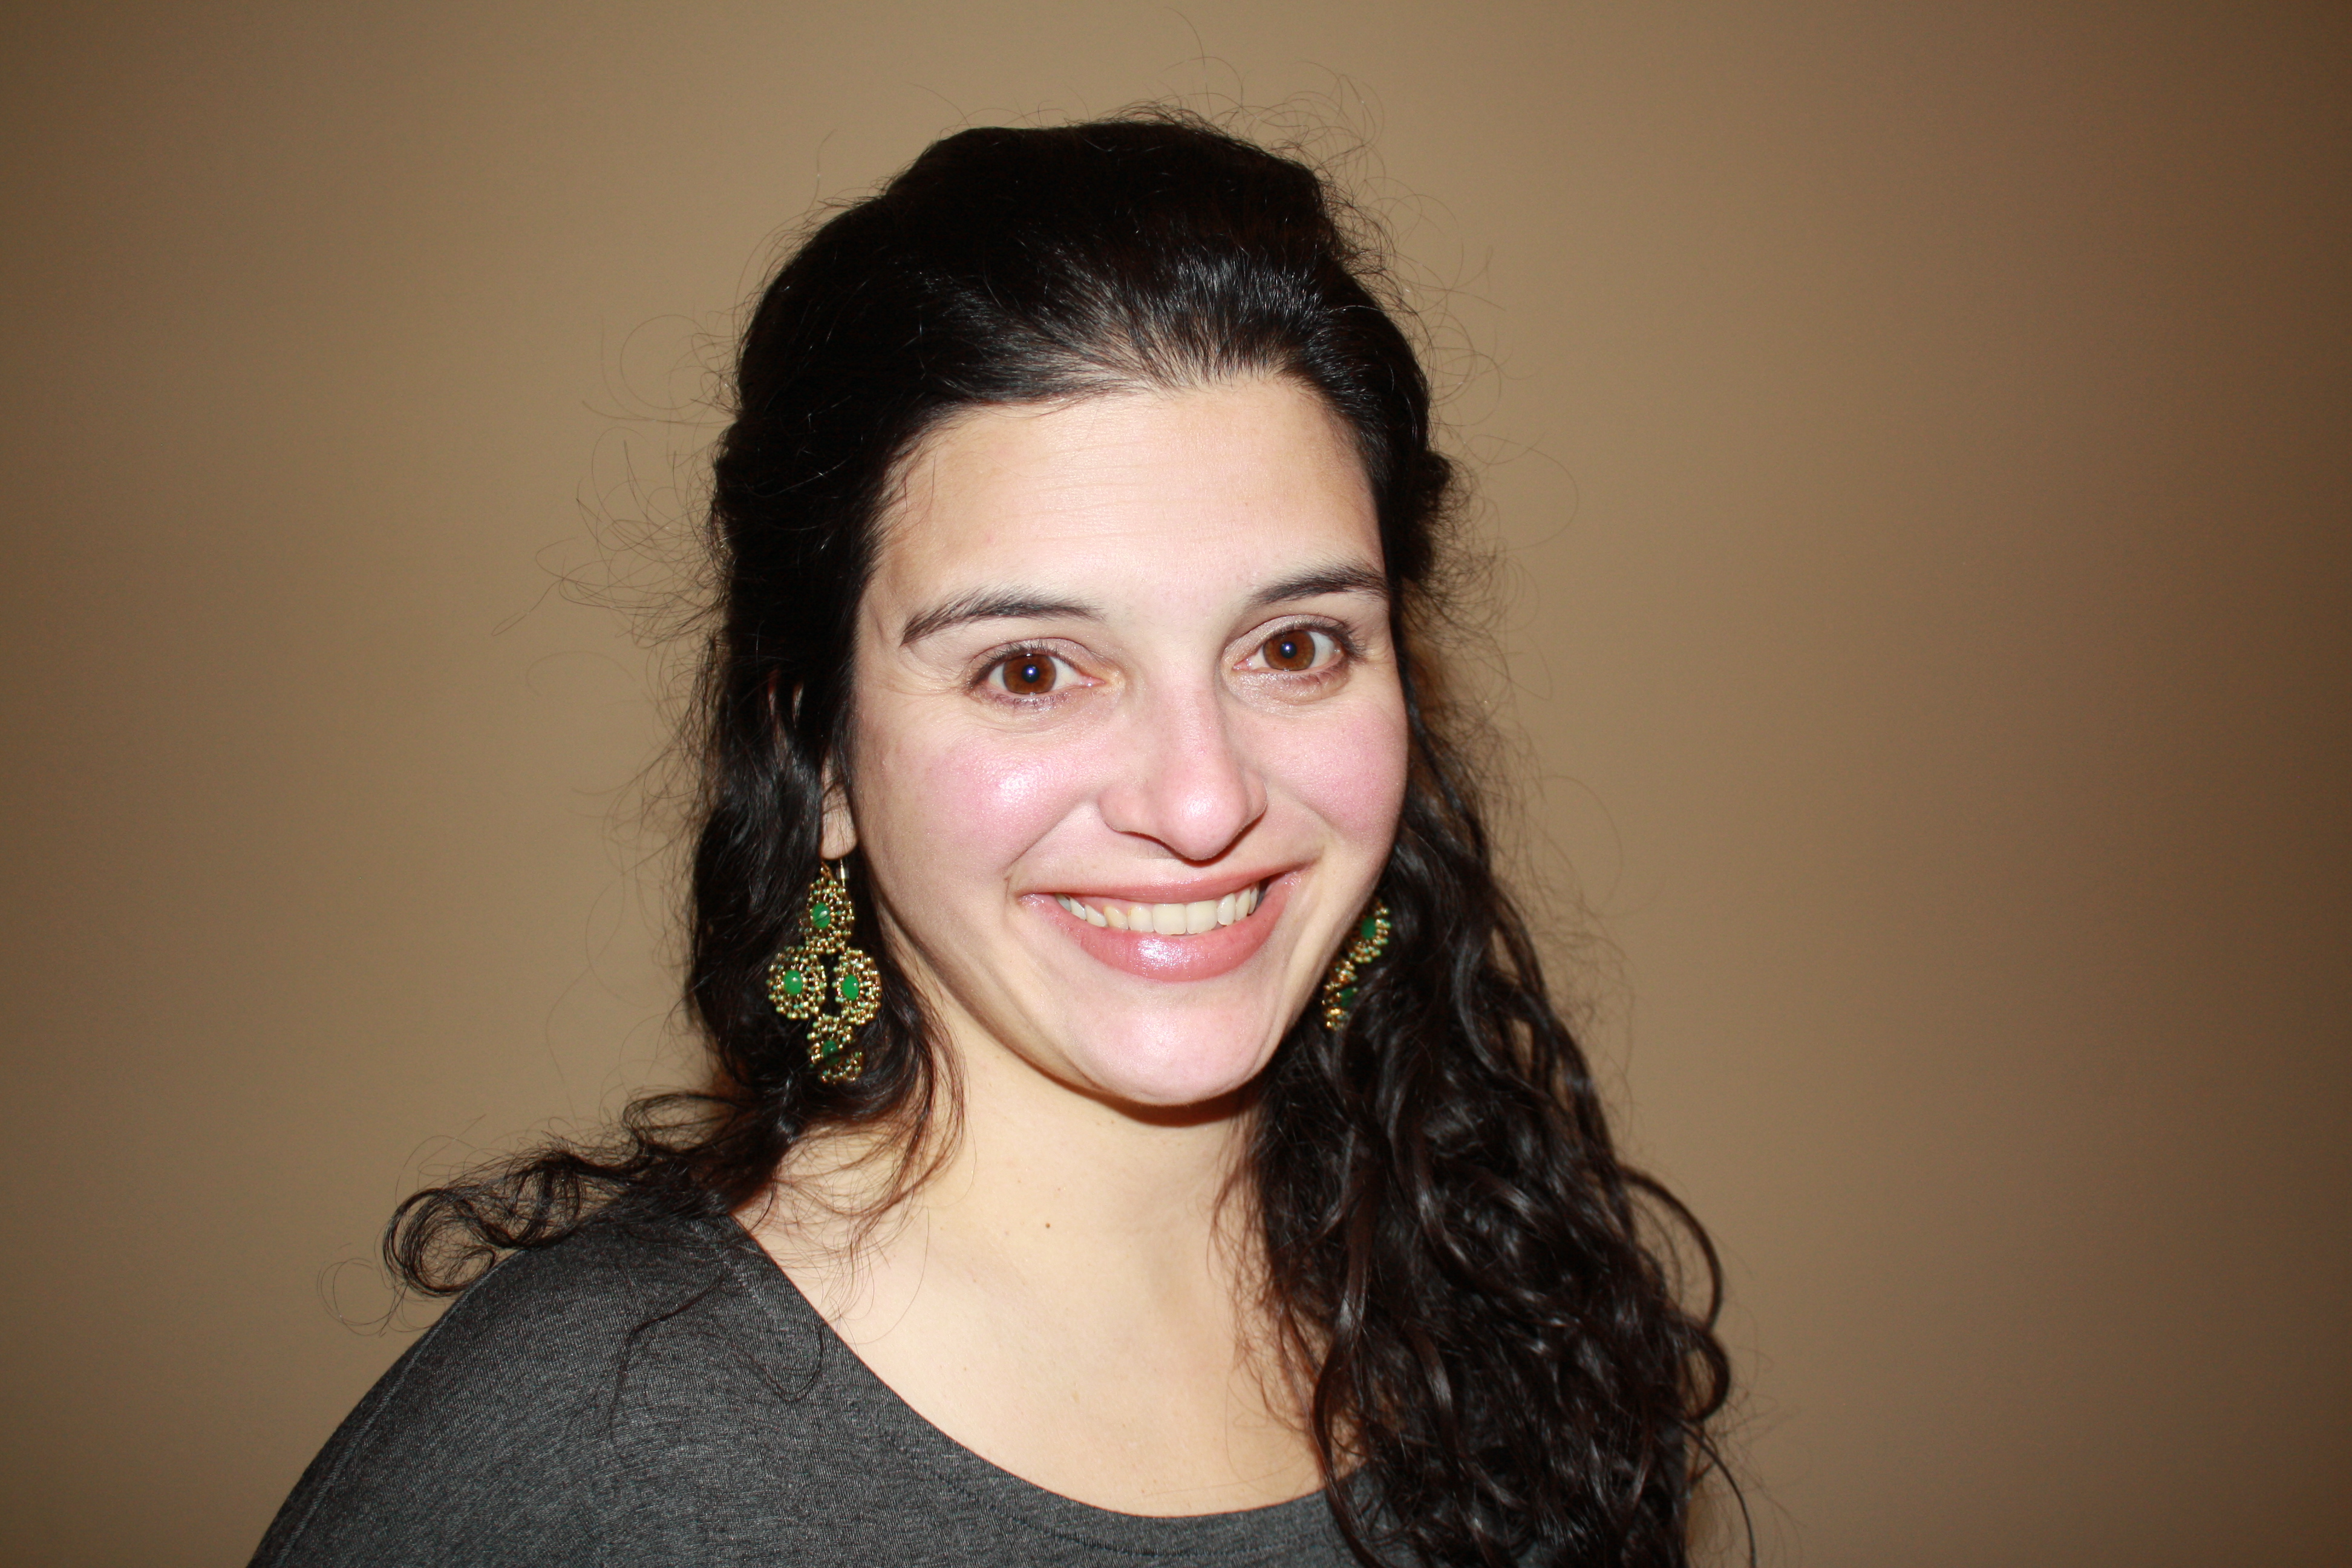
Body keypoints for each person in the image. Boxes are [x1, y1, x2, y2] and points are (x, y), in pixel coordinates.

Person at [250, 113, 1733, 1567]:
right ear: (819, 756)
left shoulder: (1518, 1305)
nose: (1203, 802)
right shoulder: (583, 1447)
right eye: (1030, 669)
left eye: (1293, 646)